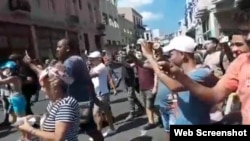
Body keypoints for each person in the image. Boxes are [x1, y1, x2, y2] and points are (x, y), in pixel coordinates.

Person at [23, 38, 104, 141]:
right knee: (88, 129)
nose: (56, 49)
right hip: (79, 102)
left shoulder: (72, 60)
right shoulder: (75, 60)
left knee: (83, 130)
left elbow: (54, 76)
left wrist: (32, 65)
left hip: (77, 103)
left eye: (59, 47)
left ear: (68, 49)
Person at [139, 36, 218, 140]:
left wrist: (149, 56)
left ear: (182, 54)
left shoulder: (201, 73)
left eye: (170, 54)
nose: (169, 57)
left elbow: (174, 86)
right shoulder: (182, 73)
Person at [18, 62, 80, 141]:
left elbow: (58, 138)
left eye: (44, 87)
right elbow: (55, 119)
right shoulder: (54, 102)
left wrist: (30, 129)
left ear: (55, 87)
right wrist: (35, 118)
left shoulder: (65, 105)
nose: (42, 90)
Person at [88, 51, 116, 138]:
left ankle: (98, 134)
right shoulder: (94, 67)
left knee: (96, 113)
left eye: (92, 59)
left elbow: (90, 76)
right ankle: (112, 128)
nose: (90, 61)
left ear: (99, 59)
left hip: (101, 93)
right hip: (98, 93)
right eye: (90, 59)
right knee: (107, 112)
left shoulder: (101, 67)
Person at [0, 61, 27, 140]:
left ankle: (25, 136)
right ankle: (25, 133)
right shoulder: (12, 77)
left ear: (12, 69)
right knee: (13, 119)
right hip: (14, 99)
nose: (6, 70)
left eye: (7, 69)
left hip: (17, 99)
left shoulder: (14, 78)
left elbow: (2, 82)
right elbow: (4, 79)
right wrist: (1, 73)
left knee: (21, 119)